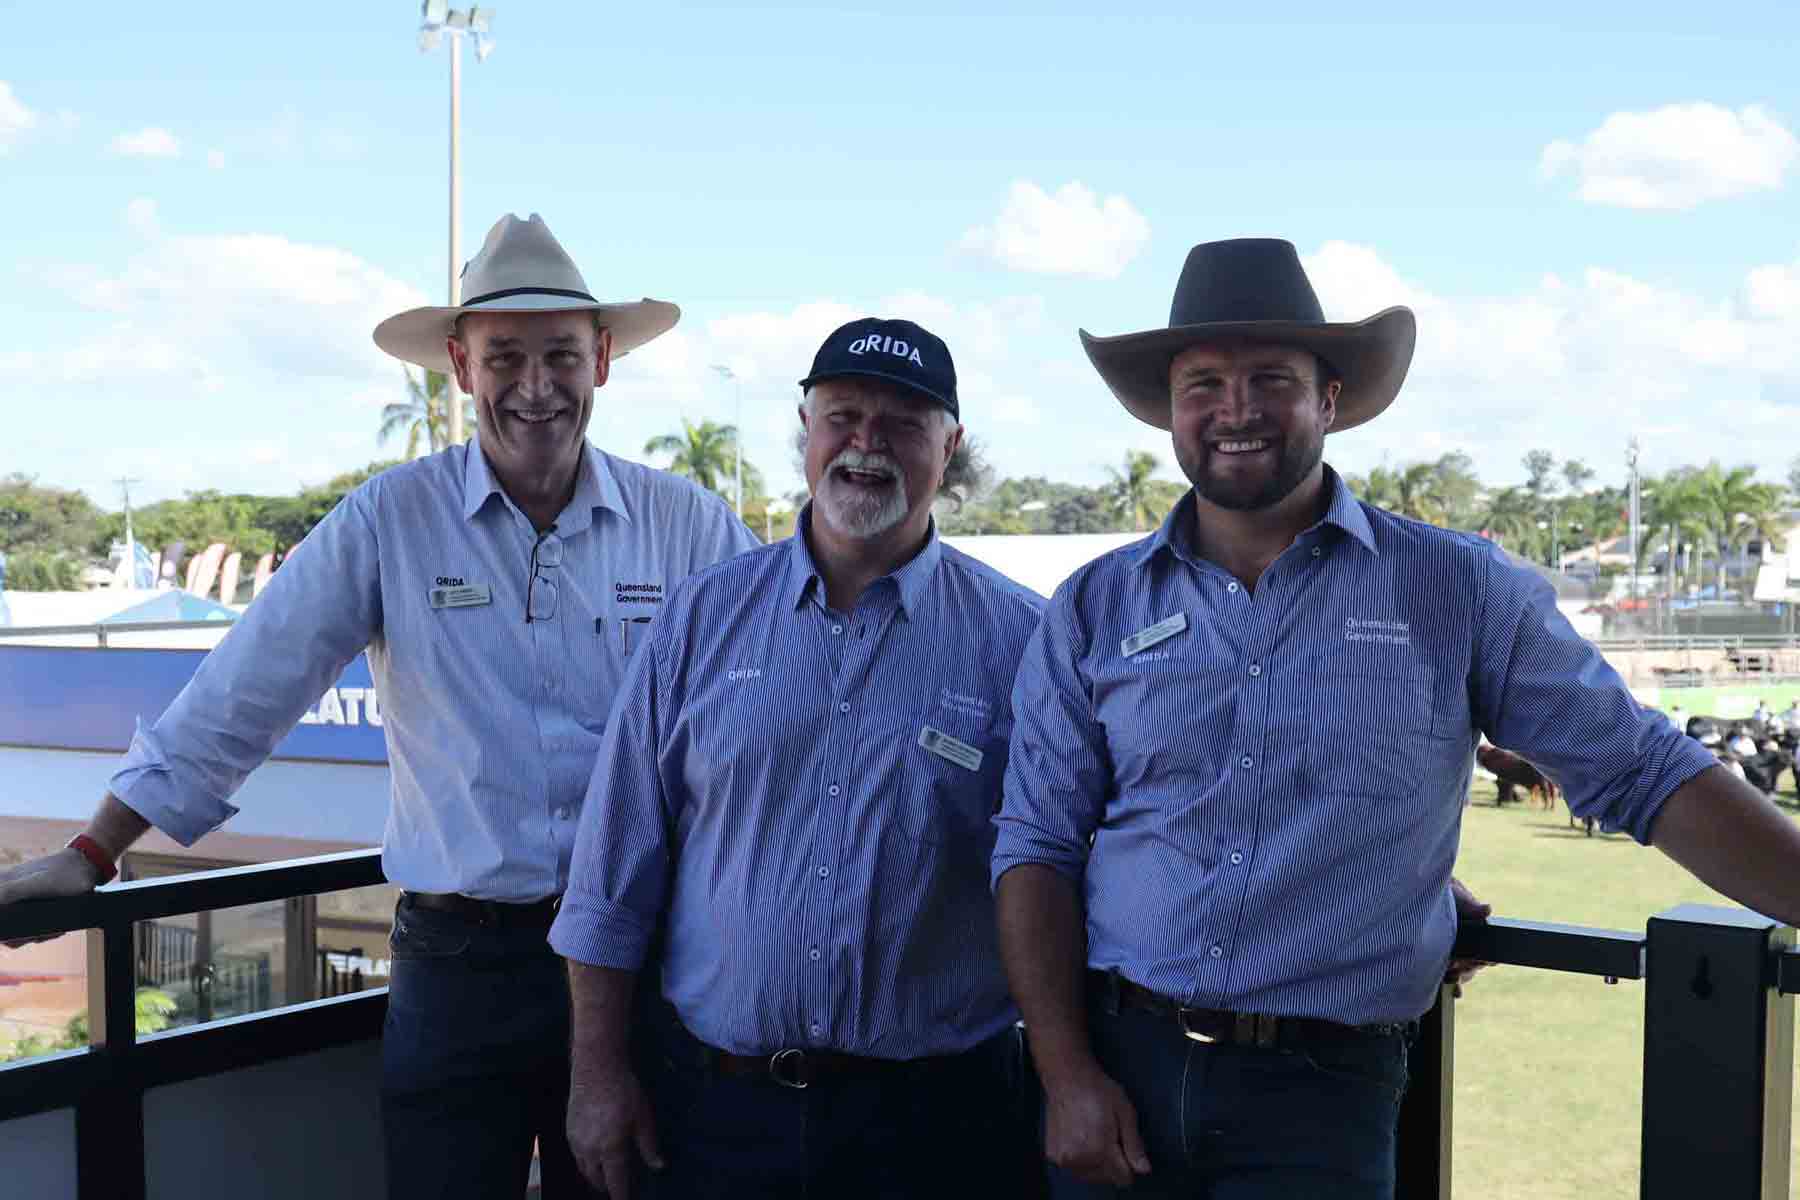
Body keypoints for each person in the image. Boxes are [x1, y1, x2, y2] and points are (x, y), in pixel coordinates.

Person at [991, 238, 1800, 1198]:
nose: (1236, 409)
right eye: (1203, 383)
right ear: (1171, 411)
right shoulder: (1093, 607)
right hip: (1120, 1063)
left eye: (1271, 379)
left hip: (1322, 1093)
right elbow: (1038, 846)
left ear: (1329, 400)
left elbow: (1640, 770)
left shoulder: (1455, 587)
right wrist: (1068, 1074)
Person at [0, 214, 759, 1199]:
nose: (536, 387)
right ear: (459, 363)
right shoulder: (391, 520)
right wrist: (95, 850)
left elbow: (784, 688)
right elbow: (245, 690)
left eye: (562, 355)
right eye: (507, 357)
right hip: (459, 968)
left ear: (604, 359)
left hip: (632, 961)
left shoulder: (687, 525)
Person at [550, 318, 1046, 1199]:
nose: (867, 443)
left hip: (941, 1126)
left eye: (902, 422)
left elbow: (1053, 877)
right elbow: (612, 872)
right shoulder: (700, 621)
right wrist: (596, 1076)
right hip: (716, 1118)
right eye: (843, 415)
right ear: (806, 431)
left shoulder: (1024, 642)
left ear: (951, 446)